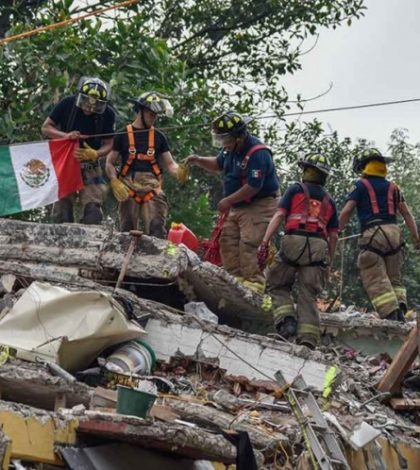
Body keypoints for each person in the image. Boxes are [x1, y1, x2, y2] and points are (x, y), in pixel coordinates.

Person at [185, 111, 279, 293]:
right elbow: (217, 163)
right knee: (228, 240)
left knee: (249, 242)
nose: (222, 142)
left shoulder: (258, 153)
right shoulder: (230, 149)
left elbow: (253, 186)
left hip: (258, 204)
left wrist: (228, 200)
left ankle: (254, 283)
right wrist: (198, 160)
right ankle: (234, 278)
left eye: (225, 137)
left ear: (239, 136)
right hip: (237, 204)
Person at [257, 154, 338, 350]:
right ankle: (308, 340)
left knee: (276, 283)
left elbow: (279, 215)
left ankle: (287, 321)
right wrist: (329, 263)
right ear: (324, 176)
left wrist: (265, 241)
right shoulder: (329, 200)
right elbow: (334, 236)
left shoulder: (295, 189)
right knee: (308, 294)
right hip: (318, 247)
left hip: (294, 240)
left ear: (305, 170)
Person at [339, 148, 420, 322]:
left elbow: (347, 211)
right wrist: (416, 239)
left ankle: (391, 312)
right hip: (394, 234)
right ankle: (400, 306)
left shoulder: (360, 185)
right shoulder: (393, 187)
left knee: (373, 272)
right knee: (394, 278)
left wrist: (335, 231)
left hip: (373, 233)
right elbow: (406, 214)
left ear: (365, 167)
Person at [106, 91, 188, 237]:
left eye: (156, 115)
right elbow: (110, 163)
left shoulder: (159, 137)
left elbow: (170, 164)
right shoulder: (122, 134)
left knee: (157, 228)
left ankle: (156, 258)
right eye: (151, 114)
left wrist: (179, 171)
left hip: (152, 187)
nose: (154, 118)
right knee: (126, 231)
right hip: (128, 186)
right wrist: (114, 181)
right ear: (141, 111)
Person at [41, 76, 115, 224]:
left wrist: (96, 153)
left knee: (93, 211)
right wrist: (66, 136)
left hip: (90, 164)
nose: (89, 108)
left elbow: (109, 143)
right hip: (66, 162)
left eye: (95, 106)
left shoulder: (108, 114)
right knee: (62, 209)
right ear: (80, 96)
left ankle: (88, 240)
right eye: (86, 102)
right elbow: (46, 128)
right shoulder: (67, 104)